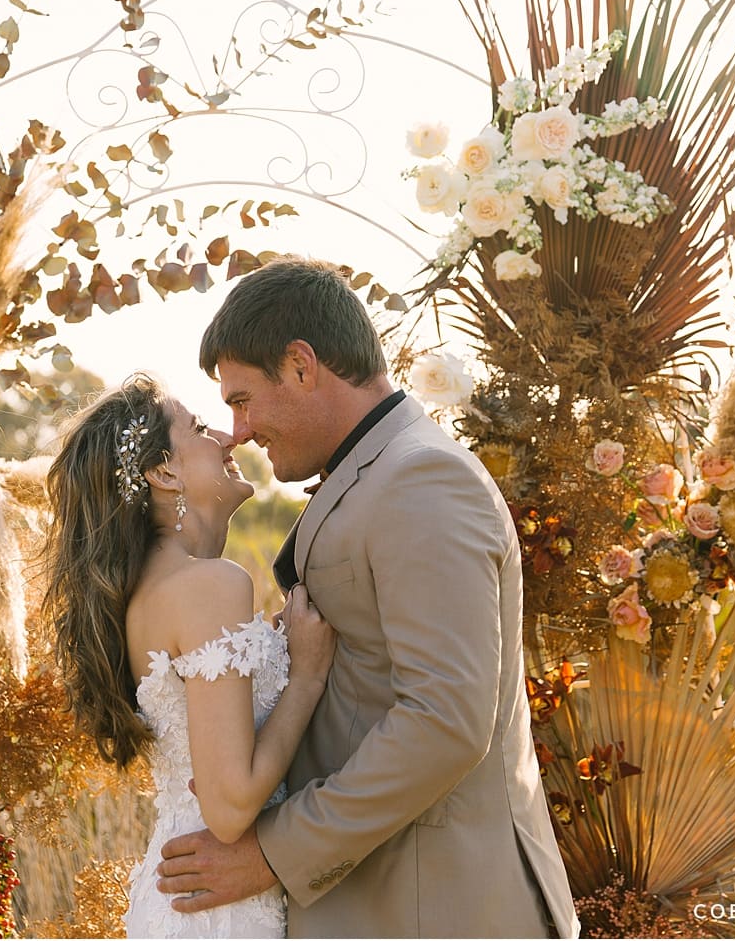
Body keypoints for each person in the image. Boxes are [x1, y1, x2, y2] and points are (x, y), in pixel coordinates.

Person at [153, 255, 581, 938]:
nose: (237, 430)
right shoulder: (375, 471)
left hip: (435, 906)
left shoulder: (424, 479)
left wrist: (272, 852)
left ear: (301, 364)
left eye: (241, 398)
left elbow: (445, 718)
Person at [42, 372, 337, 938]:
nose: (229, 438)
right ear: (162, 471)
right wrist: (307, 677)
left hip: (188, 897)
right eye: (200, 428)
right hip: (219, 907)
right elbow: (228, 810)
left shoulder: (152, 593)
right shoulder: (209, 585)